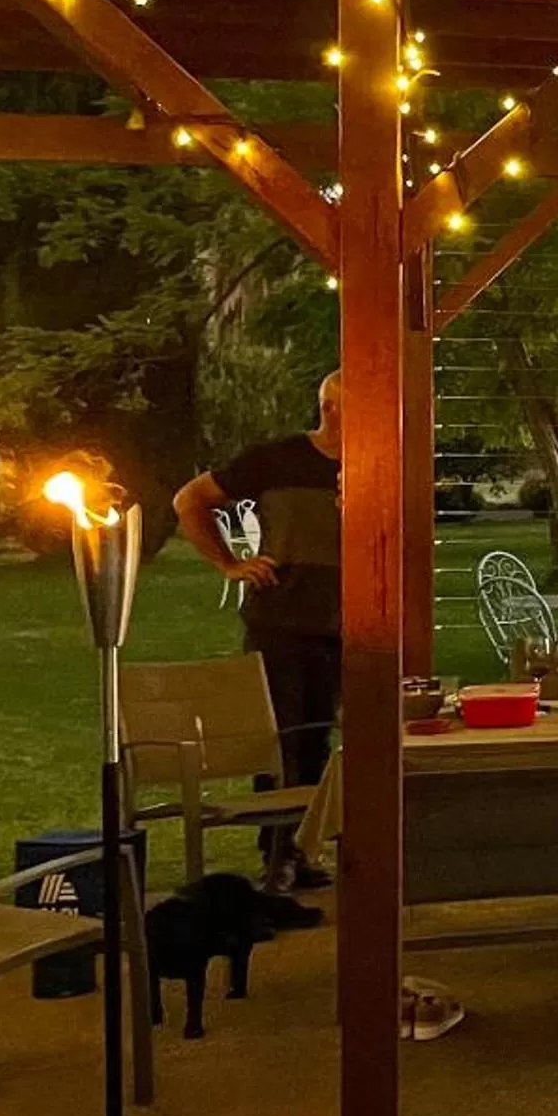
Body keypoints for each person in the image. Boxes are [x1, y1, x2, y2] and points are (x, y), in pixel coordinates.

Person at [174, 370, 341, 885]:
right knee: (281, 739)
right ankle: (278, 857)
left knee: (327, 743)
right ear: (331, 408)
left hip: (355, 625)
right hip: (282, 623)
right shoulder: (275, 460)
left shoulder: (380, 464)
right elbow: (189, 501)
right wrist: (230, 563)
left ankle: (310, 847)